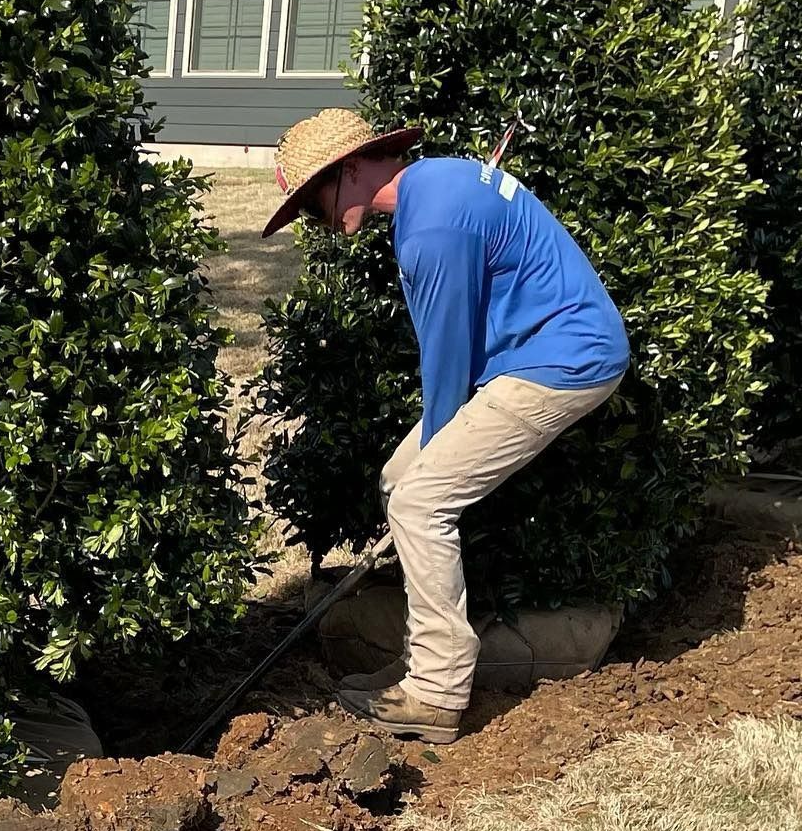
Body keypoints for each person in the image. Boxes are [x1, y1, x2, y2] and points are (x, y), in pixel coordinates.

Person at [263, 109, 630, 746]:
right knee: (400, 480)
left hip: (566, 361)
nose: (316, 223)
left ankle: (435, 692)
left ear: (349, 169)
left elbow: (446, 361)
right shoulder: (441, 183)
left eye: (312, 203)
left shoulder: (430, 224)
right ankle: (421, 657)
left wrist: (430, 477)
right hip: (531, 355)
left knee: (422, 498)